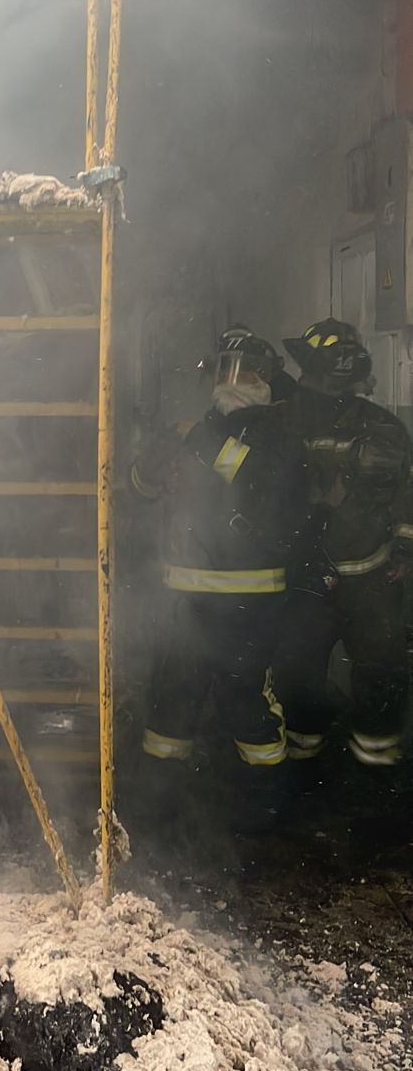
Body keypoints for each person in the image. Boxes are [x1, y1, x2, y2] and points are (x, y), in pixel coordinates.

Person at [133, 328, 308, 814]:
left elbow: (256, 481)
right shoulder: (199, 428)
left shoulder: (279, 433)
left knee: (245, 698)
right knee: (173, 696)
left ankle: (263, 804)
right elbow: (142, 488)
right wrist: (151, 463)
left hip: (248, 600)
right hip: (184, 595)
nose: (230, 381)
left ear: (264, 377)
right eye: (223, 370)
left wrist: (197, 438)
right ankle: (158, 804)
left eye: (244, 371)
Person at [276, 319, 413, 767]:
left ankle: (374, 756)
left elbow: (406, 490)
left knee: (381, 666)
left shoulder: (382, 426)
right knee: (298, 666)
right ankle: (307, 747)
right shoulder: (280, 420)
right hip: (305, 575)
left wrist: (404, 548)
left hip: (369, 575)